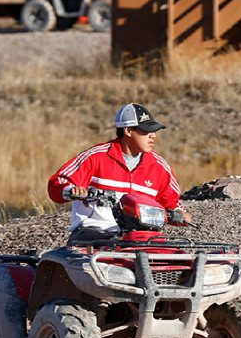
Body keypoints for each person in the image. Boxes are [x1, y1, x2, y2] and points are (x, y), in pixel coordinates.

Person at [48, 102, 191, 244]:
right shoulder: (96, 157)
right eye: (146, 131)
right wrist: (71, 191)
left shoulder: (159, 166)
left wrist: (180, 213)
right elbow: (57, 184)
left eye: (153, 131)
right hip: (94, 235)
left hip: (141, 237)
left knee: (173, 256)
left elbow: (171, 201)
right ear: (128, 131)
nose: (153, 136)